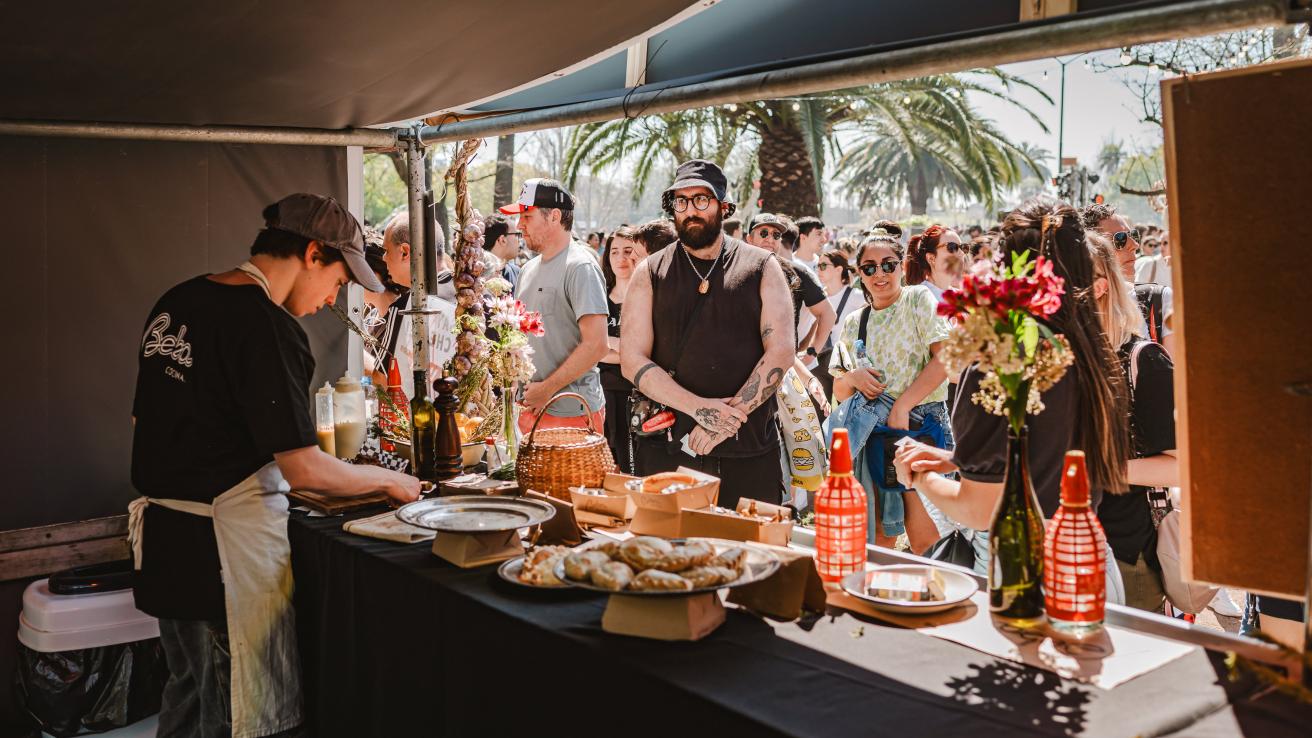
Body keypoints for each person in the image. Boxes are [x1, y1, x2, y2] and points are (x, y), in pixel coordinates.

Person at [129, 193, 422, 738]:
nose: (331, 299)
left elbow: (143, 424)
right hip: (221, 560)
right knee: (229, 712)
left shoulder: (178, 301)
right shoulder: (268, 328)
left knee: (186, 699)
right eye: (337, 282)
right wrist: (391, 480)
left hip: (166, 552)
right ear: (313, 253)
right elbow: (305, 469)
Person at [895, 197, 1132, 603]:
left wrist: (916, 477)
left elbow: (979, 508)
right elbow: (1043, 452)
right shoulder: (1093, 351)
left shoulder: (1002, 357)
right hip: (1092, 569)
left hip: (1023, 580)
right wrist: (957, 459)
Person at [621, 159, 795, 508]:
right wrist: (701, 410)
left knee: (754, 557)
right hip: (670, 448)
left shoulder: (762, 266)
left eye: (701, 200)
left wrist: (724, 423)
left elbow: (781, 351)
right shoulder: (650, 272)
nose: (690, 211)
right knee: (668, 554)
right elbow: (631, 359)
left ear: (723, 207)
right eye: (681, 202)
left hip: (748, 451)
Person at [827, 230, 952, 553]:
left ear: (901, 266)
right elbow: (840, 391)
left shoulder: (917, 300)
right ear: (859, 274)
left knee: (928, 535)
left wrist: (903, 405)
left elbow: (945, 358)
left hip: (921, 427)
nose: (879, 274)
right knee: (881, 534)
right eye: (869, 268)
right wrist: (853, 377)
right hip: (876, 434)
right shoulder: (856, 321)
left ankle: (934, 599)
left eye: (888, 265)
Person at [1089, 235, 1176, 612]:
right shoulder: (1052, 361)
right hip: (1060, 552)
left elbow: (1180, 467)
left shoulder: (1145, 361)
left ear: (1099, 286)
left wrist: (1096, 471)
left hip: (1127, 556)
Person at [500, 178, 610, 433]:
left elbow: (597, 345)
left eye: (527, 216)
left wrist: (547, 389)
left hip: (571, 412)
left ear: (555, 216)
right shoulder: (527, 269)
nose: (519, 225)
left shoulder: (580, 267)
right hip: (530, 409)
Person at [378, 212, 457, 400]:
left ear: (405, 252)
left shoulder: (405, 307)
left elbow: (382, 377)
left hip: (421, 424)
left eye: (386, 250)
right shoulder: (480, 298)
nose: (383, 258)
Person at [1081, 203, 1175, 355]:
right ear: (1093, 251)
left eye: (1134, 236)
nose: (1135, 245)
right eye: (1120, 239)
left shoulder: (1160, 301)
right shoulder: (1077, 317)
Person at [745, 212, 835, 360]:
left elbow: (828, 314)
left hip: (781, 368)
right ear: (749, 239)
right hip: (739, 367)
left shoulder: (797, 273)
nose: (770, 239)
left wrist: (809, 353)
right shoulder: (734, 272)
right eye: (764, 233)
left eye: (776, 235)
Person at [599, 225, 647, 472]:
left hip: (637, 395)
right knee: (606, 464)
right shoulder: (600, 298)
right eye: (614, 251)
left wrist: (608, 342)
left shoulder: (646, 297)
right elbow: (593, 348)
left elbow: (646, 350)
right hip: (603, 393)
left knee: (633, 467)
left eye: (628, 251)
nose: (621, 258)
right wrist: (627, 349)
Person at [812, 250, 861, 400]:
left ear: (839, 269)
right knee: (819, 409)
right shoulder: (817, 297)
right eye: (817, 266)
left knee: (846, 409)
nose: (819, 270)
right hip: (819, 360)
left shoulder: (857, 296)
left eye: (823, 265)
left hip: (847, 361)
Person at [905, 225, 967, 301]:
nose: (961, 253)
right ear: (931, 258)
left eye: (963, 247)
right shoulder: (916, 298)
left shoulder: (962, 298)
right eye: (952, 247)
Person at [482, 213, 522, 291]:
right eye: (517, 234)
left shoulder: (517, 272)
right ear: (502, 240)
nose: (519, 240)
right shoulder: (476, 275)